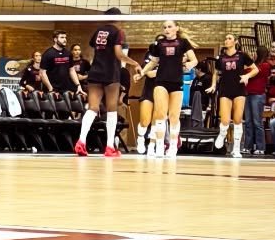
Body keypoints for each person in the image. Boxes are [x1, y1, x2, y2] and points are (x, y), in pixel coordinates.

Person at [136, 18, 195, 159]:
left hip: (176, 82)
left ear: (176, 28)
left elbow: (194, 60)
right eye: (164, 27)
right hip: (161, 81)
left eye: (169, 26)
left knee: (174, 117)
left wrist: (188, 66)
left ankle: (173, 145)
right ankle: (159, 146)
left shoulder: (183, 43)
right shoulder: (159, 44)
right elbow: (153, 62)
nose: (166, 29)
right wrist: (142, 73)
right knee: (161, 115)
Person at [74, 10, 125, 158]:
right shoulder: (118, 32)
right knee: (112, 109)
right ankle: (110, 147)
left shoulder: (98, 31)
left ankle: (81, 141)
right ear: (117, 18)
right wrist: (134, 63)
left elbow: (93, 47)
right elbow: (118, 54)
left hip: (95, 71)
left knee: (93, 108)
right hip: (111, 73)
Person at [211, 33, 258, 158]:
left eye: (229, 38)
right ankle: (222, 134)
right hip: (225, 89)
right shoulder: (220, 57)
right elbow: (215, 73)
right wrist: (213, 85)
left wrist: (247, 76)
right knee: (225, 120)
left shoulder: (242, 55)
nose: (226, 40)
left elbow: (255, 69)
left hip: (239, 89)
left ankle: (236, 149)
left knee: (237, 119)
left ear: (235, 42)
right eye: (225, 38)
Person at [39, 29, 77, 98]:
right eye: (62, 37)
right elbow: (42, 73)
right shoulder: (48, 54)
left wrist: (78, 85)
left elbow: (72, 70)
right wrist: (50, 88)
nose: (65, 39)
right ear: (55, 39)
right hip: (52, 91)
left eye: (65, 37)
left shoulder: (68, 53)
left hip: (66, 90)